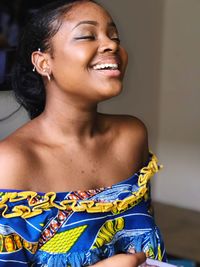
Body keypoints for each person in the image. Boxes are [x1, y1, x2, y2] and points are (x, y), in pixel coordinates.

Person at [0, 0, 166, 266]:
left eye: (114, 36)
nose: (112, 45)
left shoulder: (131, 135)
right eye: (87, 36)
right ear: (43, 63)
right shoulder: (10, 162)